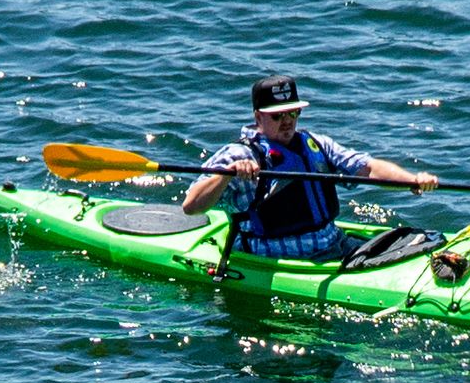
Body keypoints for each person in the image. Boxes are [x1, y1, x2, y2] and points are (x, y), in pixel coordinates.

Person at [178, 76, 441, 262]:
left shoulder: (315, 144)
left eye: (293, 113)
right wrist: (227, 176)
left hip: (331, 243)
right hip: (274, 255)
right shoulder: (239, 154)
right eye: (278, 116)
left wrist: (411, 180)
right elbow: (191, 206)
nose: (287, 121)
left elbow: (367, 168)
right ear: (258, 117)